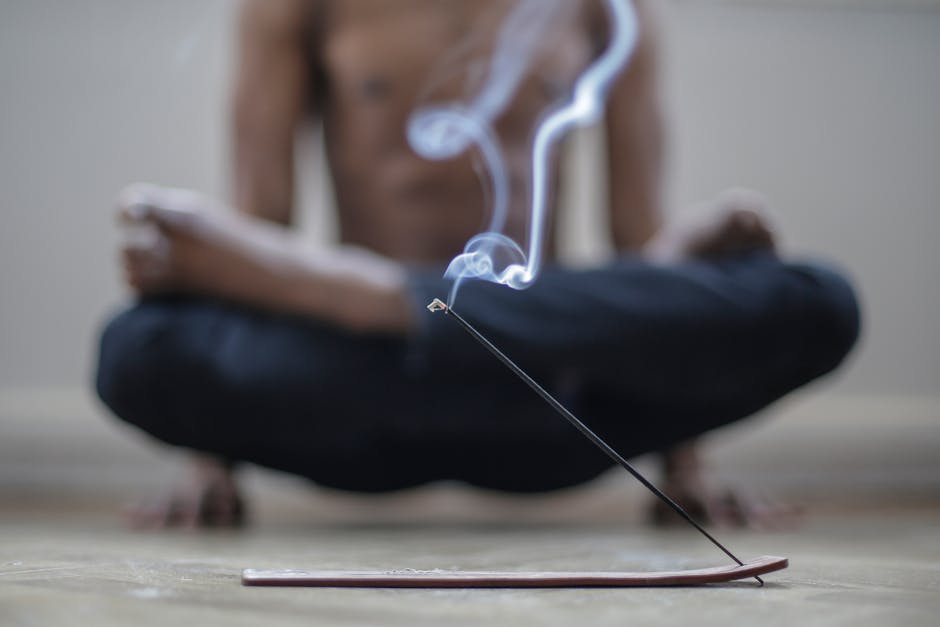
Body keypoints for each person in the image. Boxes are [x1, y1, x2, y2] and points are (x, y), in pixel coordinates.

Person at [95, 0, 859, 529]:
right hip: (354, 393)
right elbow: (262, 219)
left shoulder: (603, 9)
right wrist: (211, 458)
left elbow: (636, 248)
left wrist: (684, 463)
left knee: (816, 300)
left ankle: (379, 295)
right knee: (135, 348)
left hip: (550, 396)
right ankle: (389, 305)